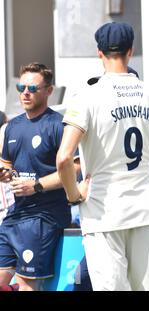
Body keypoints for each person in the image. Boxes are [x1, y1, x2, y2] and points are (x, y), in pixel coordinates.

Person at [56, 22, 149, 291]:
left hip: (103, 212)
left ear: (99, 53)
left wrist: (73, 194)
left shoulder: (86, 96)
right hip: (144, 209)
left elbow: (64, 158)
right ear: (130, 51)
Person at [0, 63, 80, 291]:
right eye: (21, 87)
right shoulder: (12, 126)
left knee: (27, 286)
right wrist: (4, 175)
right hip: (15, 215)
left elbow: (74, 170)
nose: (25, 92)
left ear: (48, 91)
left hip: (44, 217)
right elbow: (8, 168)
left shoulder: (58, 125)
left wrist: (36, 186)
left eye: (32, 88)